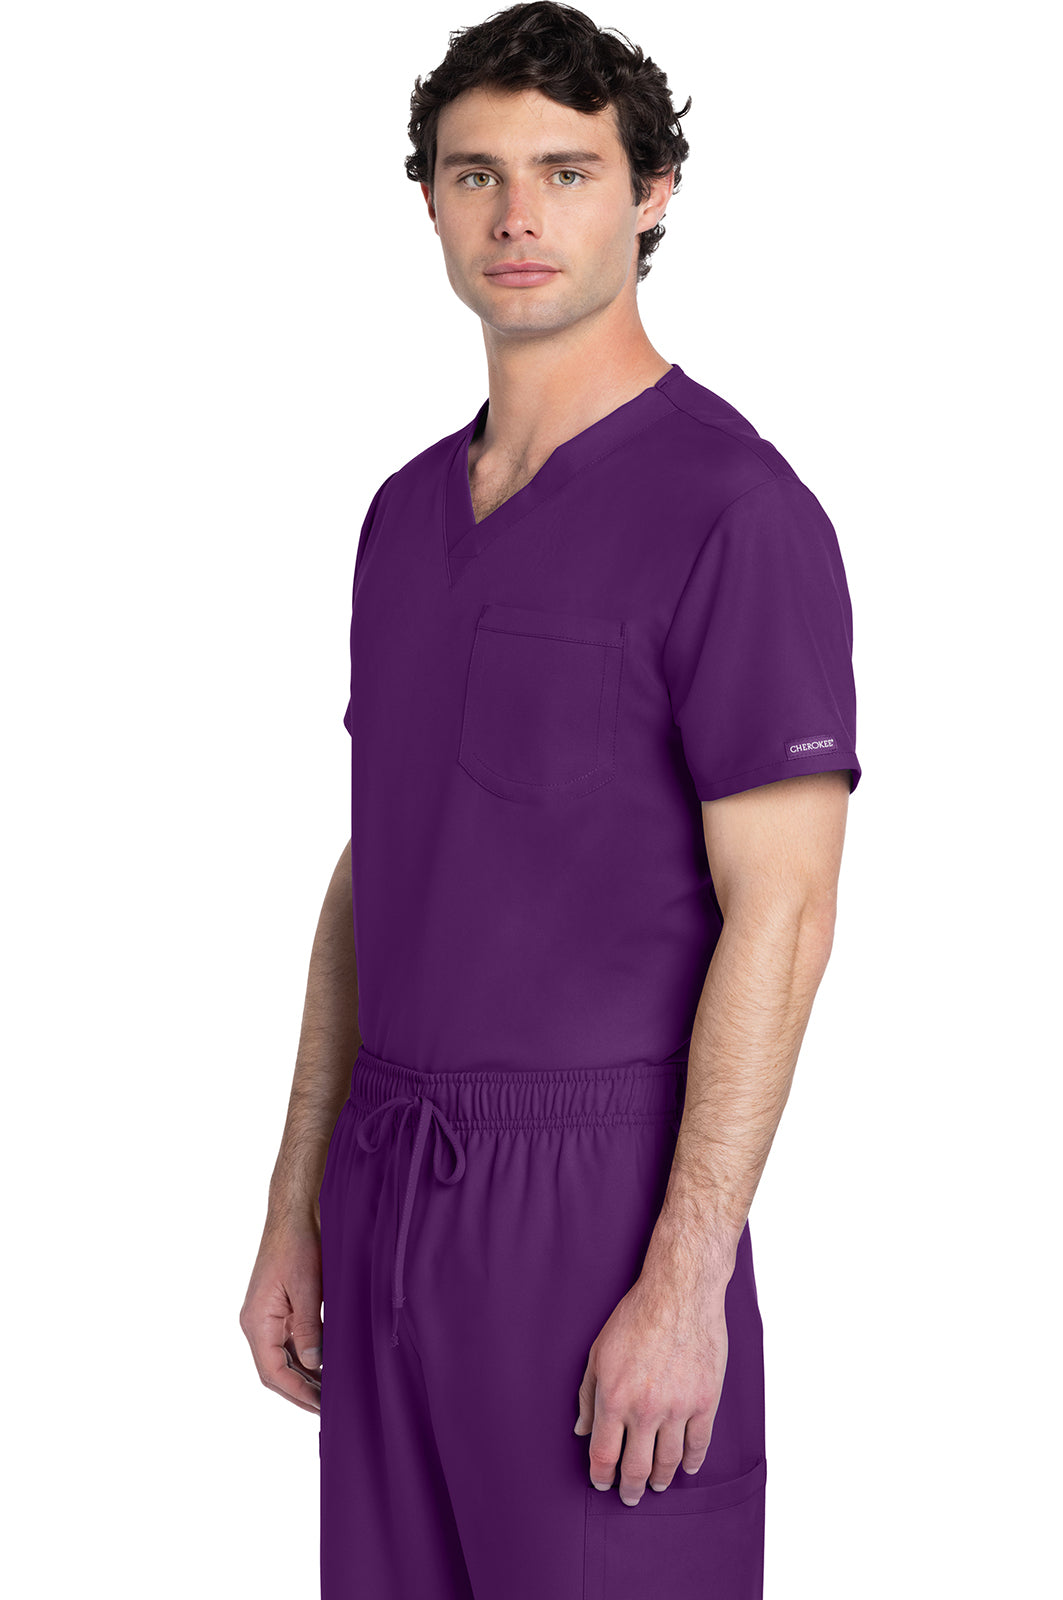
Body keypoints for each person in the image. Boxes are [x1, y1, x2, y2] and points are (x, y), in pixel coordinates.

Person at [239, 4, 862, 1596]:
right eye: (478, 175)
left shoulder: (735, 511)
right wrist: (296, 1201)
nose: (517, 215)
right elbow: (383, 865)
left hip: (594, 1208)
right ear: (431, 201)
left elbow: (785, 914)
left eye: (567, 173)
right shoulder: (401, 519)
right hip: (391, 1182)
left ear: (651, 194)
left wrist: (685, 1279)